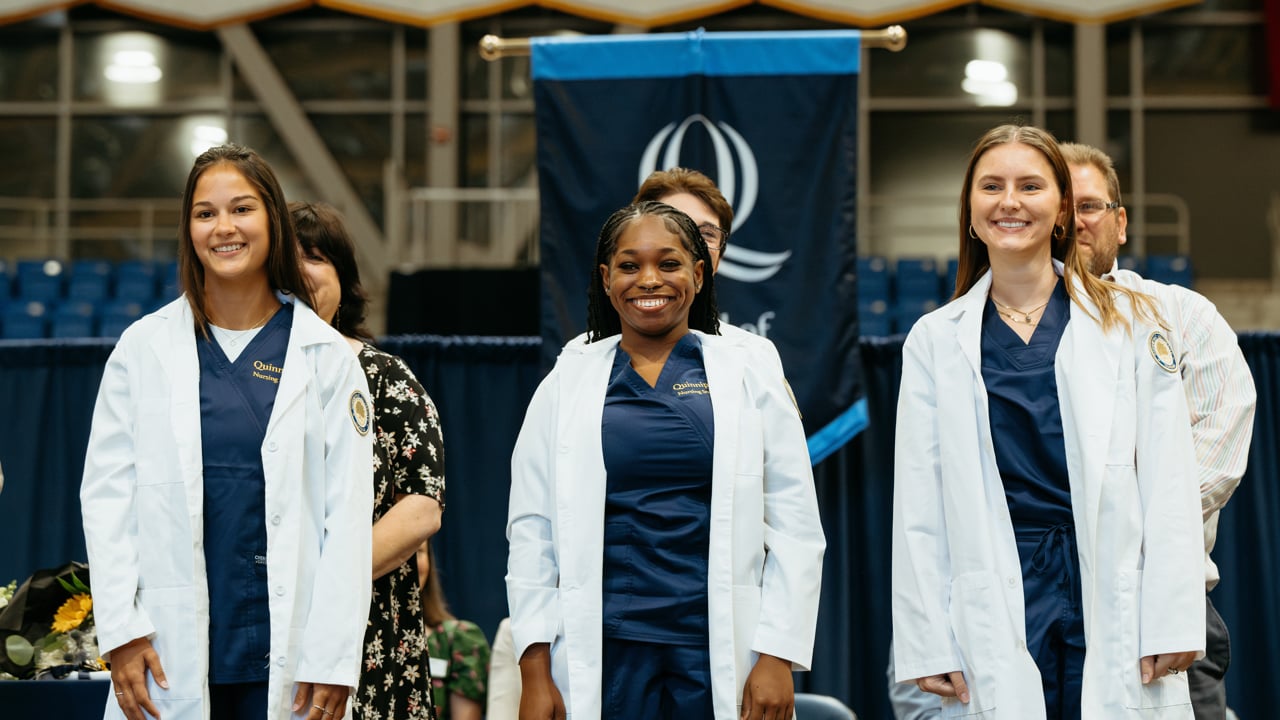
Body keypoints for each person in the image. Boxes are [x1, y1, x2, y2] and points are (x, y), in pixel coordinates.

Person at [891, 124, 1206, 719]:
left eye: (1030, 186)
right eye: (992, 187)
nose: (1009, 202)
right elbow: (918, 505)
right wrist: (925, 636)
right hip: (997, 586)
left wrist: (1174, 613)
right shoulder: (935, 339)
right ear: (969, 210)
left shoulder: (1133, 320)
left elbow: (1169, 477)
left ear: (1062, 210)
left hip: (1109, 586)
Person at [80, 143, 374, 720]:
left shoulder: (325, 356)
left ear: (273, 220)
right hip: (164, 651)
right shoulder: (143, 349)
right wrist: (121, 630)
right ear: (188, 229)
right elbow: (107, 500)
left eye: (241, 209)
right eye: (205, 213)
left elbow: (346, 519)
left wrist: (333, 655)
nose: (223, 228)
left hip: (291, 657)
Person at [507, 200, 825, 720]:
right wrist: (534, 669)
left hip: (717, 646)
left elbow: (796, 527)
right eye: (630, 265)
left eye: (669, 263)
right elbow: (532, 531)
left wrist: (776, 655)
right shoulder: (567, 380)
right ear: (606, 279)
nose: (649, 280)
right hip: (605, 648)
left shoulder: (750, 373)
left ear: (699, 275)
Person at [1061, 142, 1257, 720]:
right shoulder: (1001, 331)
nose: (1075, 220)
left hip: (1163, 605)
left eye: (1090, 205)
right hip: (1039, 609)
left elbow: (1218, 454)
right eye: (1063, 206)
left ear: (1120, 223)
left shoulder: (1181, 314)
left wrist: (1112, 530)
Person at [291, 201, 446, 720]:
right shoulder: (243, 379)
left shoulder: (386, 377)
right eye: (287, 261)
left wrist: (322, 585)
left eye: (315, 258)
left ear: (343, 279)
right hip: (263, 623)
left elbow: (421, 507)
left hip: (371, 622)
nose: (300, 273)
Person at [415, 540, 491, 720]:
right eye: (401, 551)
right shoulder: (355, 640)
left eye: (418, 551)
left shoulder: (458, 640)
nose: (409, 564)